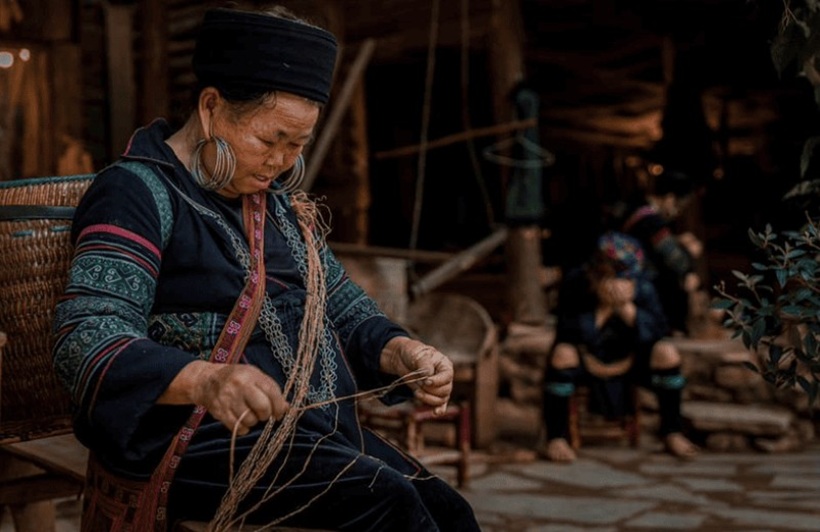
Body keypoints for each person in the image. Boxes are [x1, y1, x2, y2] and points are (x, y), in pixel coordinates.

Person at [52, 5, 480, 531]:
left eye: (297, 145)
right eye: (269, 139)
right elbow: (88, 337)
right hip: (196, 439)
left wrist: (401, 351)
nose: (280, 161)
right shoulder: (135, 193)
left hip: (307, 430)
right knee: (389, 506)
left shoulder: (277, 205)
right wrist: (207, 381)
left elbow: (342, 308)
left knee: (449, 512)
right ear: (211, 107)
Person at [539, 231, 698, 463]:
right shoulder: (577, 282)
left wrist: (627, 311)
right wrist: (602, 311)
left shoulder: (643, 286)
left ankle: (672, 431)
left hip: (631, 360)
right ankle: (556, 437)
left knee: (667, 353)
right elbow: (566, 331)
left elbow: (659, 329)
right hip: (588, 360)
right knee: (562, 354)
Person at [617, 167, 703, 335]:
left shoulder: (635, 208)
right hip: (641, 285)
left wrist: (678, 240)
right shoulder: (650, 220)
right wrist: (688, 268)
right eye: (679, 206)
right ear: (670, 198)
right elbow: (672, 257)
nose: (677, 212)